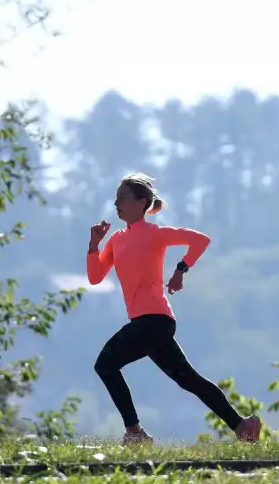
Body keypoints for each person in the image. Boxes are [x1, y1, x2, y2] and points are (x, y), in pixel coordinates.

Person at [86, 172, 263, 445]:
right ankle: (242, 426)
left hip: (154, 320)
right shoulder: (117, 240)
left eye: (122, 197)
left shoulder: (155, 234)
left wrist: (180, 270)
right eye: (116, 198)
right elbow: (95, 276)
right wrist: (94, 245)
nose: (116, 203)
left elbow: (200, 240)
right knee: (188, 379)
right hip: (148, 322)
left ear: (141, 202)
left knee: (105, 364)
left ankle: (134, 432)